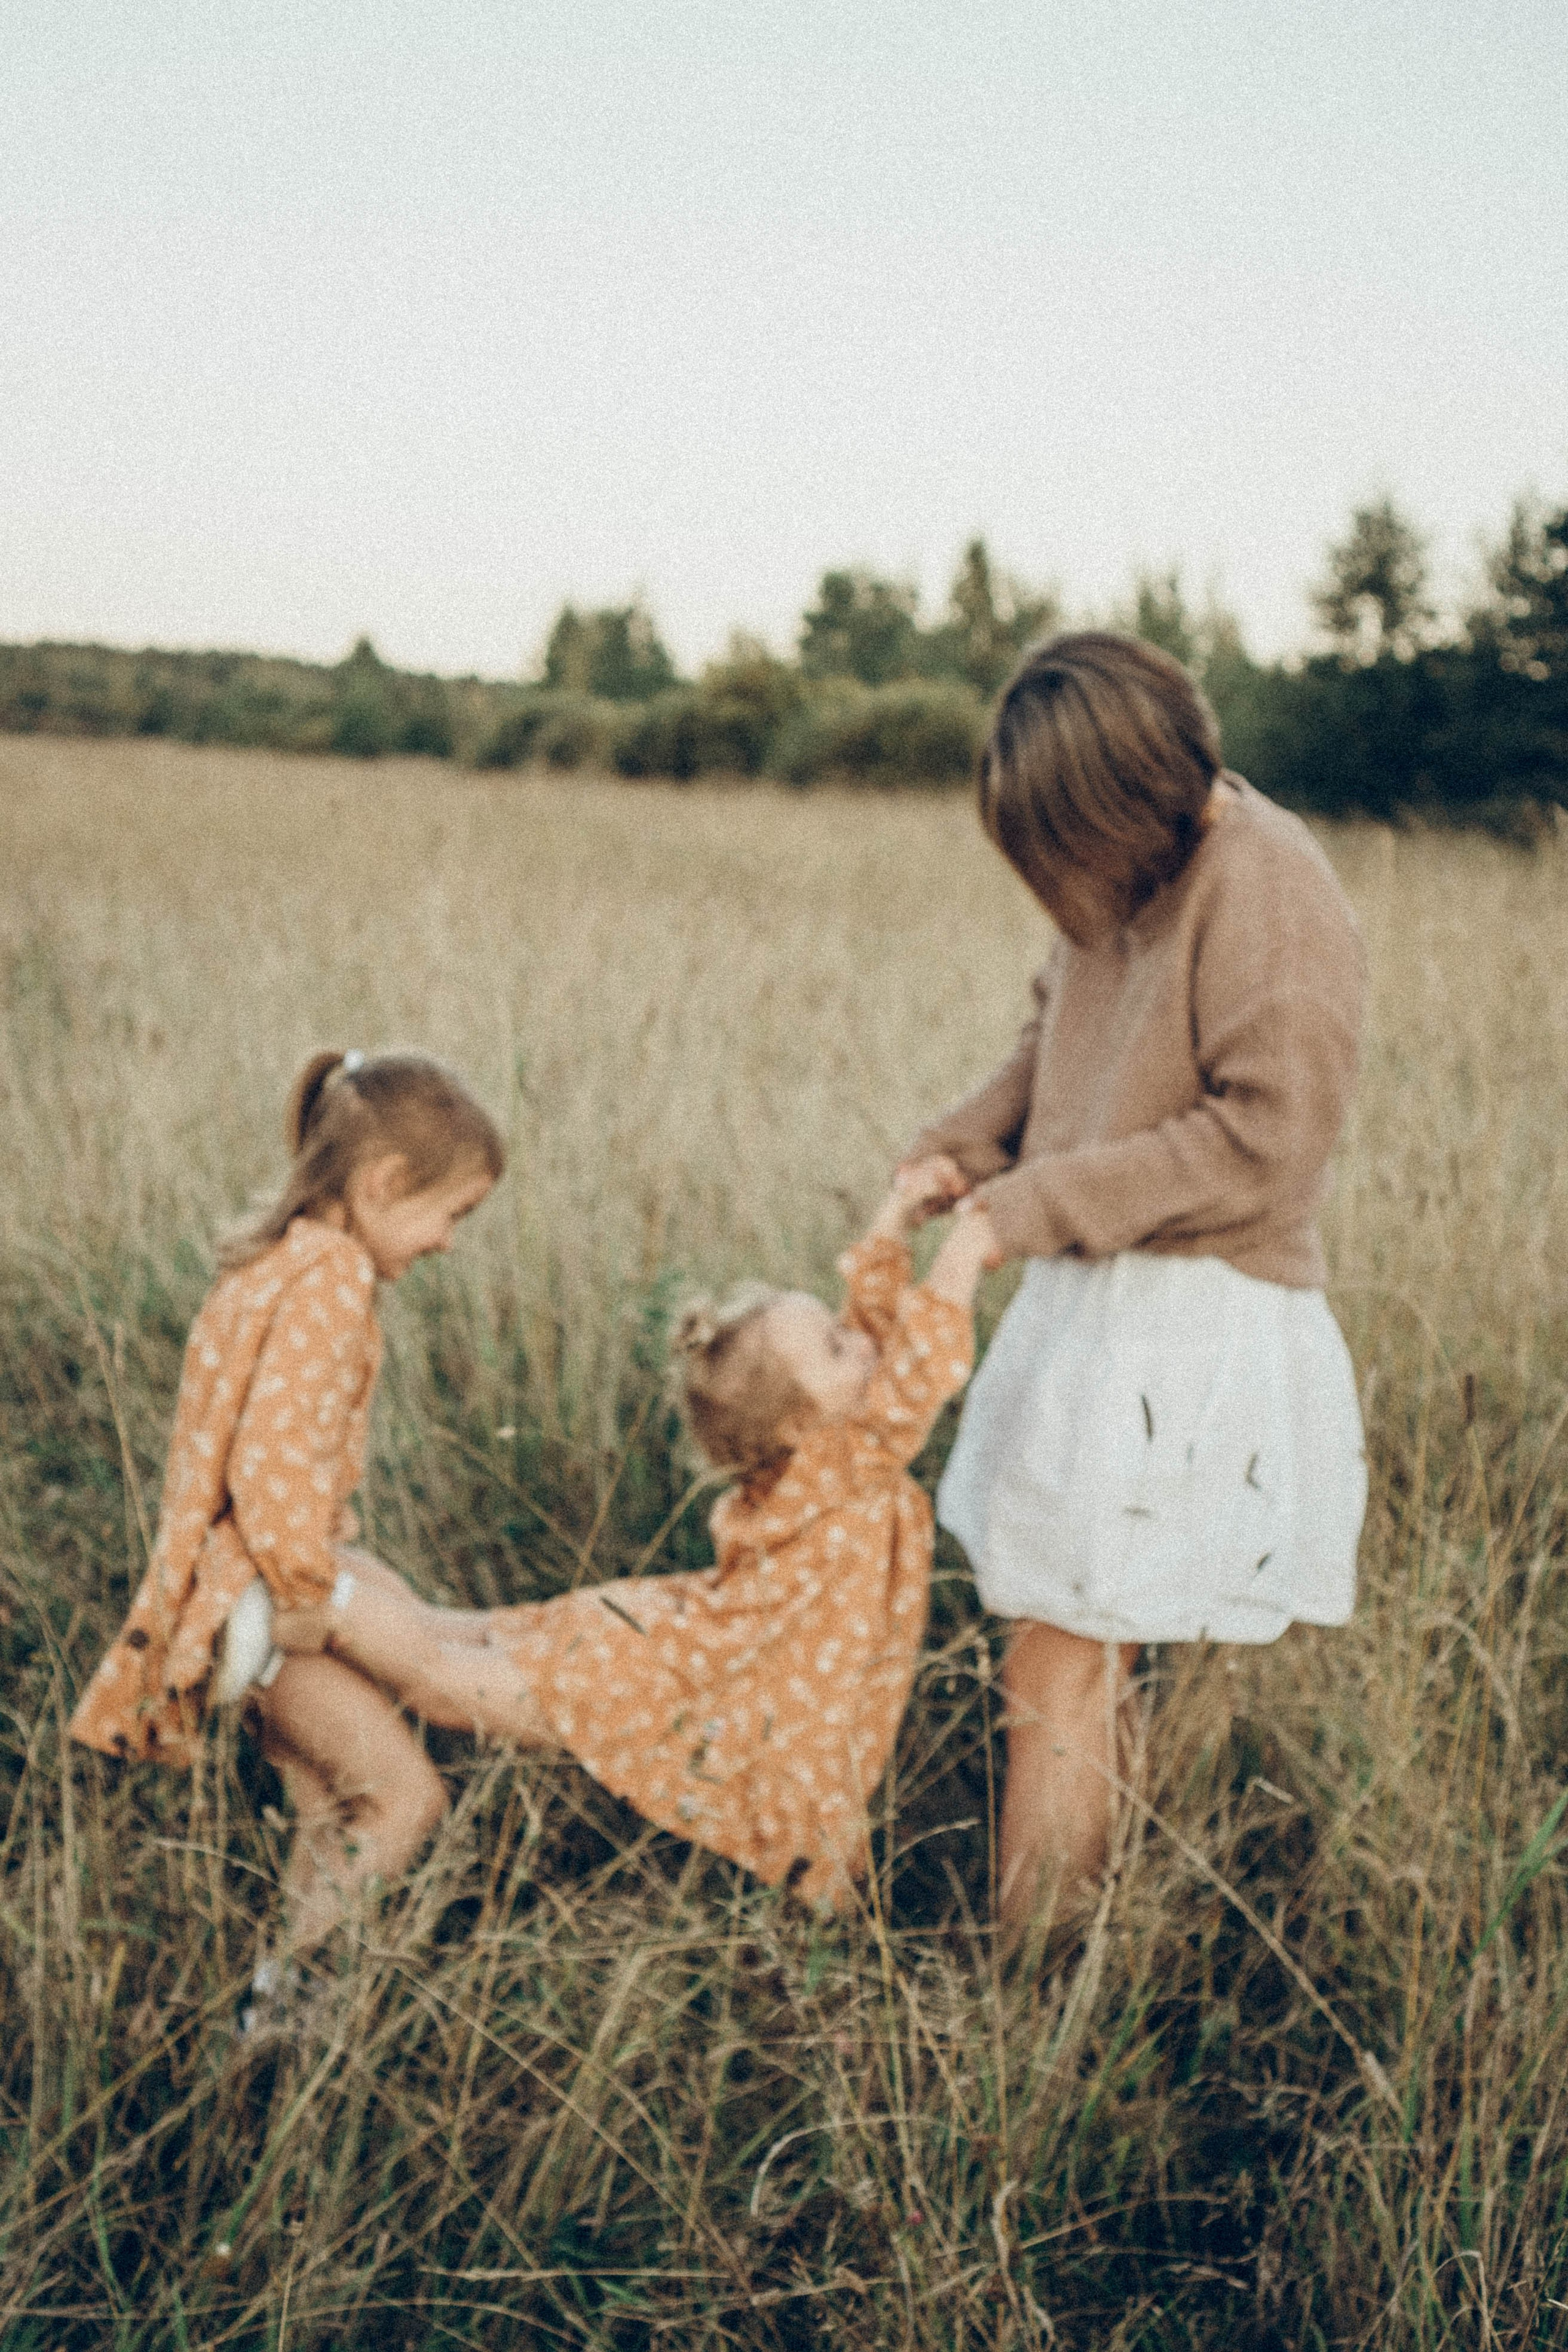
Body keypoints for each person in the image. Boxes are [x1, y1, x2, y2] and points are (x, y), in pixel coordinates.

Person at [902, 630, 1368, 1936]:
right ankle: (1081, 1947)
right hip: (1099, 1299)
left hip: (1198, 1315)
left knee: (1060, 1654)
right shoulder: (1121, 881)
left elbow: (1265, 1141)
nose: (1055, 884)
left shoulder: (1265, 885)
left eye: (1061, 845)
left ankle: (1031, 1988)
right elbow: (1051, 1040)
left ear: (1128, 802)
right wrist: (953, 1153)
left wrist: (1020, 1209)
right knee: (1066, 1655)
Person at [273, 1163, 990, 1911]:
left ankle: (327, 1570)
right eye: (837, 1350)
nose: (864, 1346)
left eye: (840, 1337)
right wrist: (969, 1240)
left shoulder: (827, 1449)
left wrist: (897, 1218)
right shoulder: (849, 1458)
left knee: (446, 1631)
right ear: (800, 1425)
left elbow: (875, 1334)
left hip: (688, 1640)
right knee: (439, 1680)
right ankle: (307, 1586)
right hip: (692, 1673)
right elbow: (920, 1367)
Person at [70, 1049, 505, 2001]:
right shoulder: (334, 1281)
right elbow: (269, 1467)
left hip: (238, 1596)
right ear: (385, 1183)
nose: (448, 1242)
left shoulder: (284, 1262)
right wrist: (315, 1598)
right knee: (403, 1799)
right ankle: (288, 2011)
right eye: (452, 1214)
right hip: (266, 1600)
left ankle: (287, 2021)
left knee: (331, 1809)